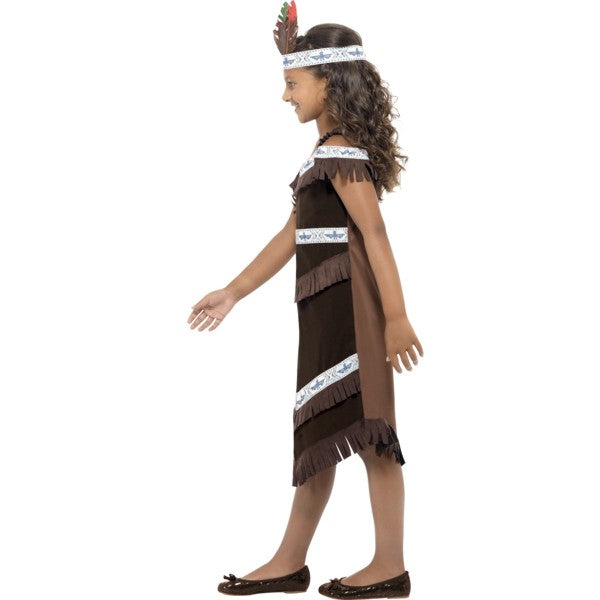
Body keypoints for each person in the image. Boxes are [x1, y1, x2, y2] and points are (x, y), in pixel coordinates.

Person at [187, 3, 423, 598]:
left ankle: (389, 566)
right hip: (325, 315)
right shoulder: (324, 155)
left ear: (328, 82)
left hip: (355, 315)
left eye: (293, 83)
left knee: (374, 439)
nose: (285, 96)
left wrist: (396, 317)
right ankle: (290, 561)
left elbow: (375, 235)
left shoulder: (342, 154)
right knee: (321, 434)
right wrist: (234, 291)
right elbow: (291, 235)